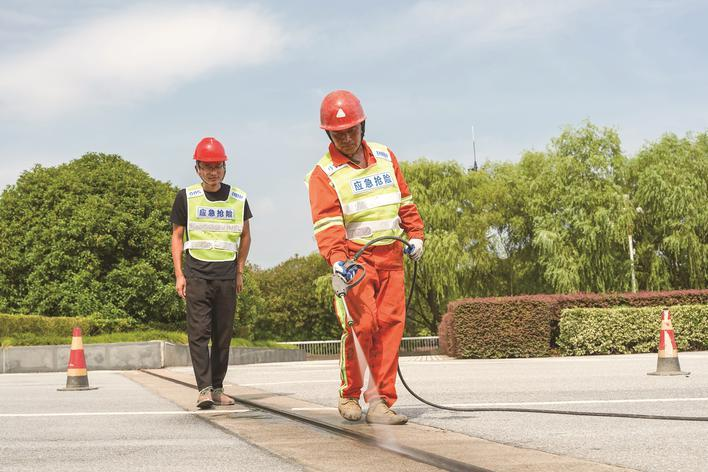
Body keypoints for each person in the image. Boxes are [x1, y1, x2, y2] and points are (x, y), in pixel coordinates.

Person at [305, 90, 425, 425]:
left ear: (363, 126)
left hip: (391, 256)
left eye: (352, 130)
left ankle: (381, 402)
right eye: (338, 133)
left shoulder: (386, 156)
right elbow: (327, 224)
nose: (346, 137)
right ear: (328, 133)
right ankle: (349, 395)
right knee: (362, 326)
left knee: (389, 327)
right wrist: (336, 259)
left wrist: (415, 235)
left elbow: (404, 202)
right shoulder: (323, 174)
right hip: (354, 261)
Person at [170, 137, 252, 409]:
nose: (212, 172)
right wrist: (179, 274)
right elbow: (177, 236)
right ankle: (204, 389)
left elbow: (246, 236)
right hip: (197, 275)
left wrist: (239, 270)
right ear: (197, 169)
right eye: (206, 167)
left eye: (217, 166)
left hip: (227, 276)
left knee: (223, 334)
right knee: (199, 333)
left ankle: (217, 388)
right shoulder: (186, 197)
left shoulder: (238, 198)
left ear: (225, 168)